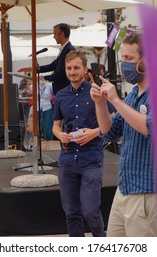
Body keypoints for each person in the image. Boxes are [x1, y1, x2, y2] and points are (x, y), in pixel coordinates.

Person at [90, 33, 157, 237]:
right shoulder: (133, 95)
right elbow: (109, 132)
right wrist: (100, 104)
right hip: (125, 188)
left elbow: (150, 128)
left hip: (147, 191)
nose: (124, 65)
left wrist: (115, 100)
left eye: (129, 59)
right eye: (123, 59)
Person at [52, 50, 106, 237]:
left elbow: (114, 120)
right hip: (67, 160)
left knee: (91, 212)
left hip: (91, 159)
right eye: (69, 68)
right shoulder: (60, 95)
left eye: (76, 68)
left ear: (84, 69)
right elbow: (55, 126)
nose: (72, 71)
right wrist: (60, 135)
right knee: (71, 213)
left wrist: (94, 132)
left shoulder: (96, 92)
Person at [18, 23, 75, 95]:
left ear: (62, 34)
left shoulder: (69, 50)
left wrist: (43, 78)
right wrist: (32, 69)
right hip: (60, 89)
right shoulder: (65, 49)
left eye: (55, 34)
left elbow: (60, 73)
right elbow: (52, 65)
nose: (53, 37)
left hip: (64, 89)